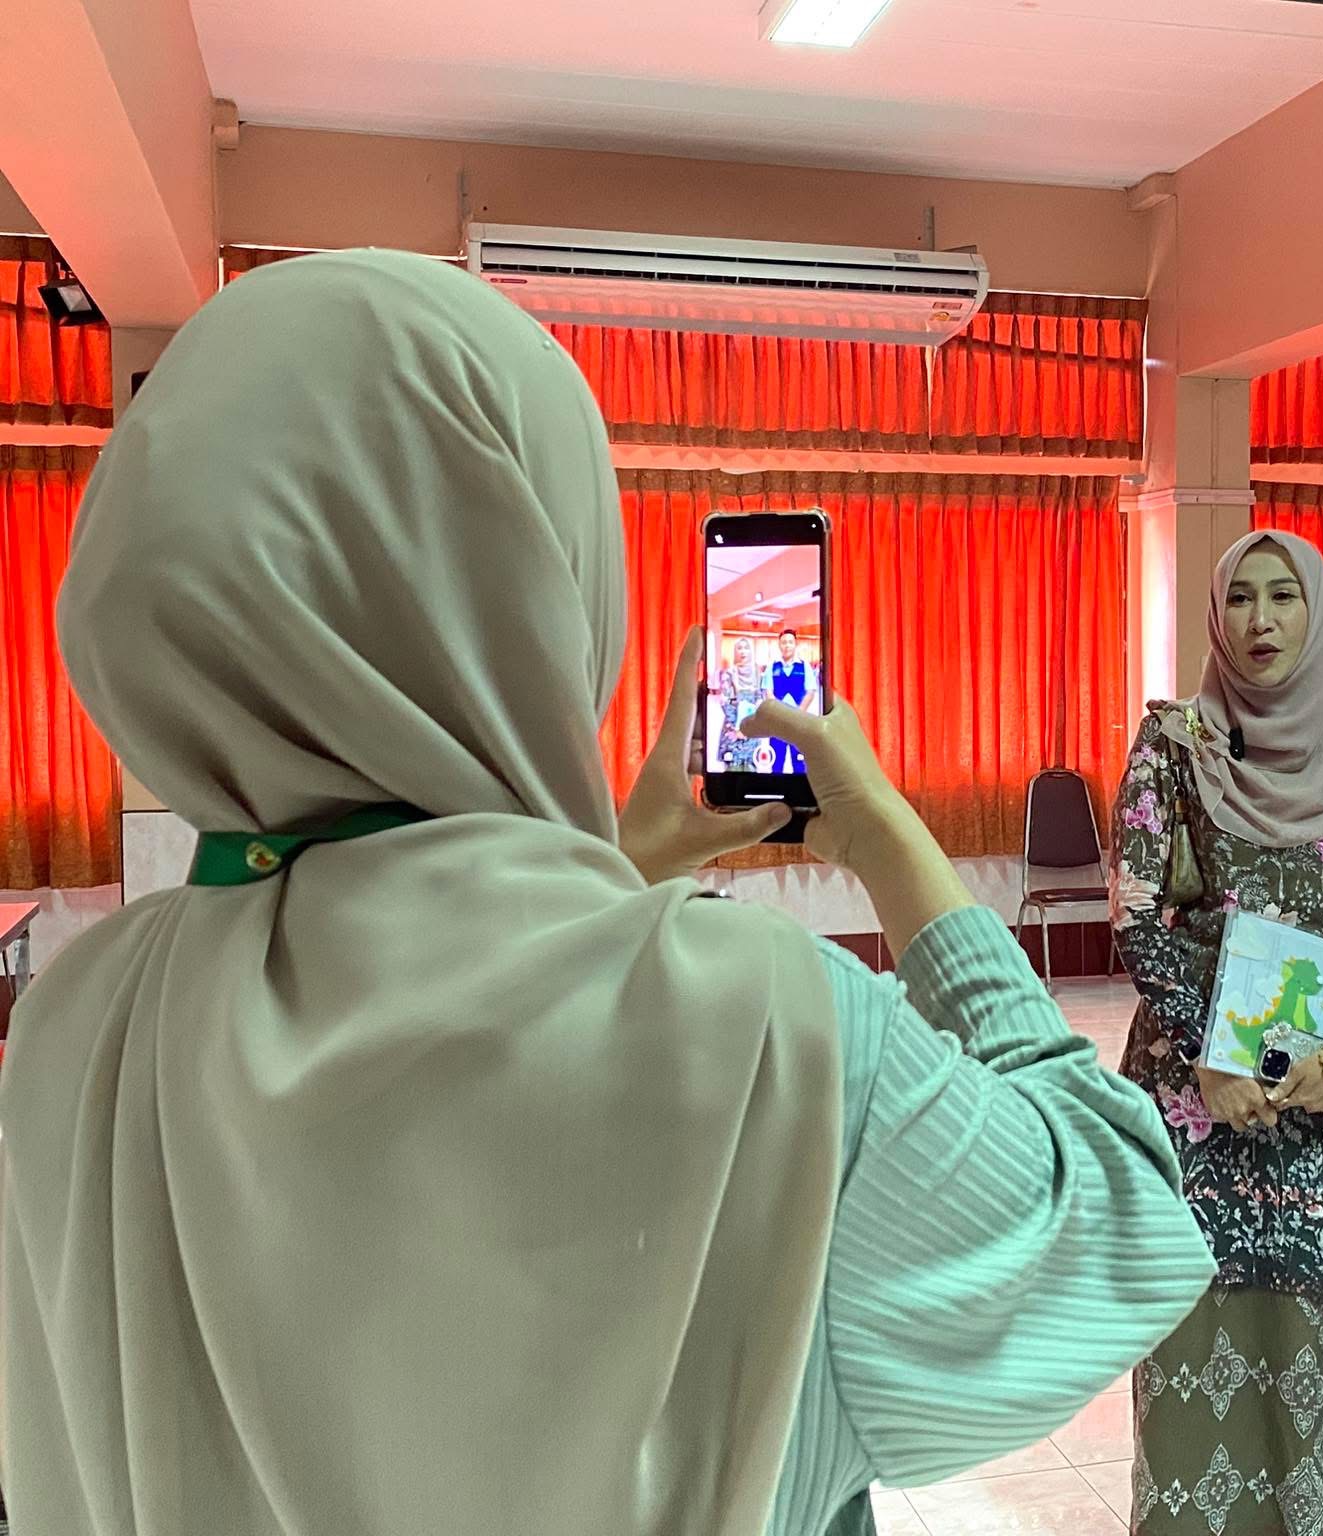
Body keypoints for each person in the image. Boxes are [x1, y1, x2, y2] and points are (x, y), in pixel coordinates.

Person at [0, 251, 1218, 1536]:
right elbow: (1118, 1230)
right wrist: (884, 837)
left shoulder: (80, 1025)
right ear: (539, 583)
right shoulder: (760, 1027)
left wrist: (605, 863)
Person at [1110, 528, 1323, 1536]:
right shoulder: (1173, 744)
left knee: (1313, 1344)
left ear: (1316, 611)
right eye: (1240, 598)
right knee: (1191, 1342)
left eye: (1284, 597)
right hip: (1195, 1098)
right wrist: (1206, 1055)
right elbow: (1137, 908)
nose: (1261, 620)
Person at [769, 628, 818, 774]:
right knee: (776, 762)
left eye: (790, 642)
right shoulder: (772, 666)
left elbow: (810, 691)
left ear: (795, 644)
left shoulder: (805, 666)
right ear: (779, 645)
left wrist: (798, 713)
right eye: (784, 642)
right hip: (777, 722)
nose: (787, 645)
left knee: (799, 762)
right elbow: (768, 691)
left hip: (798, 721)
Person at [718, 634, 769, 771]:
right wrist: (738, 729)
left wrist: (750, 727)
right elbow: (725, 702)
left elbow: (761, 699)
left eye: (746, 648)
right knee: (732, 771)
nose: (743, 651)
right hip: (733, 730)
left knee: (751, 770)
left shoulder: (758, 674)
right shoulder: (728, 674)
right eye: (739, 648)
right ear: (735, 652)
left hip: (752, 730)